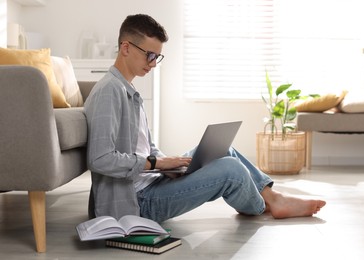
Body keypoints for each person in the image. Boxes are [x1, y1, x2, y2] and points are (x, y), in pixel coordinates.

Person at [84, 14, 326, 223]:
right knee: (230, 170)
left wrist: (169, 164)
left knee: (223, 150)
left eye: (157, 57)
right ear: (126, 48)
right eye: (149, 55)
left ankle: (275, 198)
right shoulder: (110, 91)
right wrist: (157, 164)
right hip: (137, 202)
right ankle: (264, 205)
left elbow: (143, 148)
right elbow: (100, 159)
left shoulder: (129, 90)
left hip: (151, 182)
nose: (153, 64)